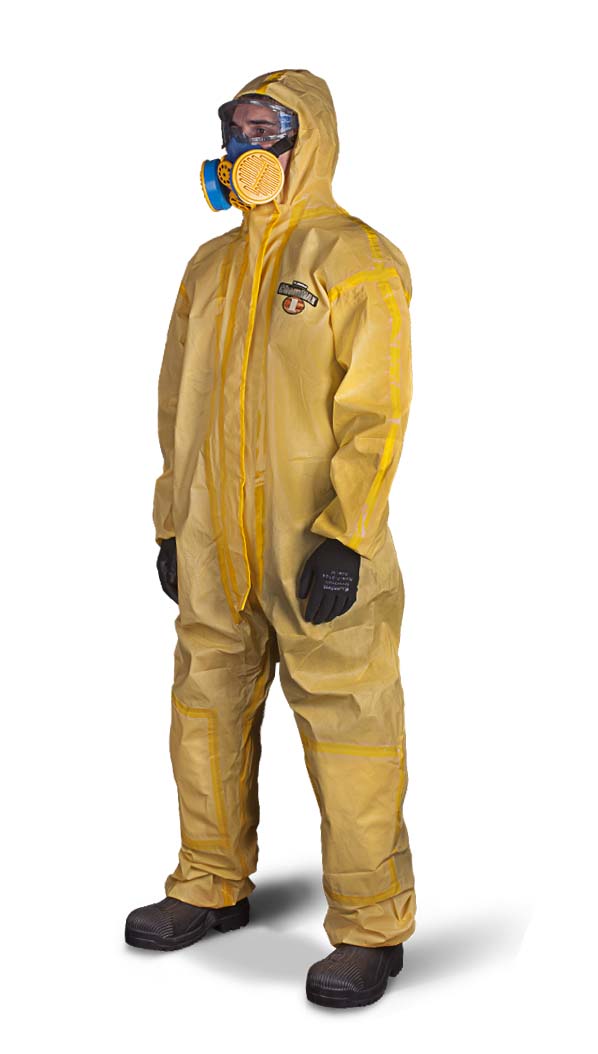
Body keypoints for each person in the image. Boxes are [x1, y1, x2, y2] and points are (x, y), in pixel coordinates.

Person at [125, 68, 416, 1010]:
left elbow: (377, 411)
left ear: (309, 141)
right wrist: (174, 522)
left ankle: (371, 926)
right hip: (215, 539)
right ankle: (210, 880)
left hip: (314, 544)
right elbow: (176, 407)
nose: (247, 146)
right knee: (204, 706)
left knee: (349, 723)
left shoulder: (353, 257)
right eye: (237, 128)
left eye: (267, 129)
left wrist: (347, 535)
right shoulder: (209, 269)